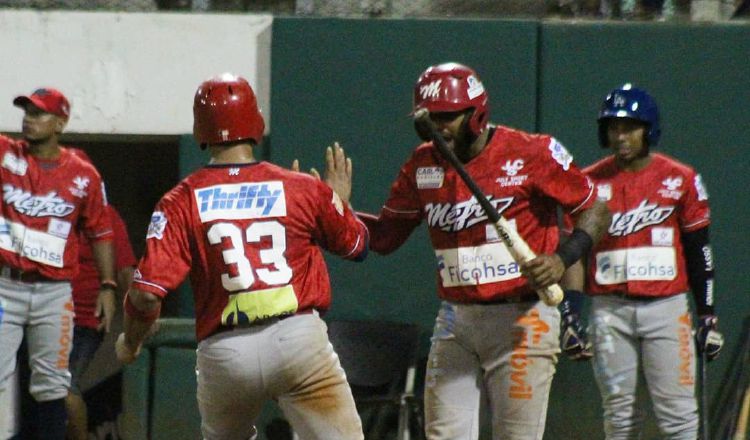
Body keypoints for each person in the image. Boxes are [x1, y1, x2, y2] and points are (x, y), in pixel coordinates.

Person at [357, 62, 611, 440]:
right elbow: (384, 237)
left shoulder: (532, 152)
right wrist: (333, 209)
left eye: (447, 117)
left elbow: (596, 208)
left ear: (476, 114)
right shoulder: (422, 164)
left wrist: (562, 258)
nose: (437, 126)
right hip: (455, 321)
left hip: (524, 319)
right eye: (429, 117)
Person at [114, 73, 370, 440]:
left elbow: (145, 294)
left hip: (226, 351)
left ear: (200, 130)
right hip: (297, 341)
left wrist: (132, 342)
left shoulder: (180, 199)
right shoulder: (302, 188)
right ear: (256, 123)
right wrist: (339, 204)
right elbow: (358, 246)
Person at [572, 83, 724, 439]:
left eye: (630, 127)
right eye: (613, 127)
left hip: (667, 309)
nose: (620, 135)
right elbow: (574, 255)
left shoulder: (681, 178)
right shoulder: (588, 182)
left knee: (679, 415)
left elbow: (700, 251)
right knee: (619, 414)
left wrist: (707, 313)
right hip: (610, 309)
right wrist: (571, 313)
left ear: (648, 129)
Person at [0, 87, 115, 439]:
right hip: (6, 286)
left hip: (54, 293)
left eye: (39, 114)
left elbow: (101, 231)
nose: (29, 120)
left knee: (52, 383)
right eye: (27, 112)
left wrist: (108, 285)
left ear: (61, 123)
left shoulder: (83, 174)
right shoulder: (6, 155)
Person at [66, 197, 136, 440]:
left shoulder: (106, 215)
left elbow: (126, 270)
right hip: (46, 311)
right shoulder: (47, 210)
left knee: (63, 385)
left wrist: (134, 321)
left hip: (86, 316)